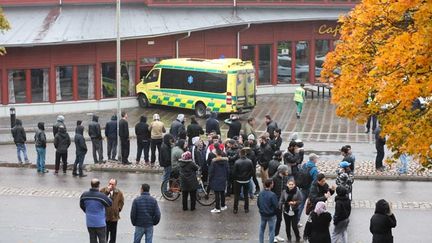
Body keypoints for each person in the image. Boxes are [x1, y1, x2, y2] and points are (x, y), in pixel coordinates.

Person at [80, 178, 113, 243]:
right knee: (102, 240)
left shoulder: (84, 195)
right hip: (100, 223)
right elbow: (109, 203)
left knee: (92, 240)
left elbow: (82, 205)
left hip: (89, 222)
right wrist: (110, 194)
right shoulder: (101, 196)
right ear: (98, 185)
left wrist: (87, 211)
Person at [100, 179, 125, 243]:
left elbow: (121, 202)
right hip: (105, 216)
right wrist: (107, 192)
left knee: (113, 235)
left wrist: (118, 209)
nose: (110, 185)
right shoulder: (103, 190)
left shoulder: (119, 192)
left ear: (115, 185)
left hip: (114, 217)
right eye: (109, 183)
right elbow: (101, 198)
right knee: (105, 234)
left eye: (112, 184)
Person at [297, 153, 319, 223]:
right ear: (314, 160)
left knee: (300, 205)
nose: (317, 159)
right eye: (316, 158)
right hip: (310, 190)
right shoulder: (314, 169)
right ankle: (312, 221)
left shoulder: (304, 165)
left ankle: (296, 221)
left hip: (302, 188)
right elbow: (315, 181)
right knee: (312, 206)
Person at [232, 148, 255, 214]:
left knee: (236, 195)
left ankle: (235, 209)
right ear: (245, 154)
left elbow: (234, 173)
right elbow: (252, 171)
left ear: (240, 154)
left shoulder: (237, 162)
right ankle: (246, 208)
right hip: (246, 180)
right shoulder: (249, 161)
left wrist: (236, 178)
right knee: (246, 195)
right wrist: (248, 177)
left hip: (238, 181)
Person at [271, 164, 290, 242]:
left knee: (279, 219)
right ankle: (272, 236)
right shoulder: (274, 178)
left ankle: (276, 235)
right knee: (274, 219)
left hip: (282, 202)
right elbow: (271, 190)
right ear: (282, 171)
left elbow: (285, 188)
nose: (287, 171)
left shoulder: (285, 177)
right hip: (275, 202)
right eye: (286, 170)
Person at [209, 145, 229, 213]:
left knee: (217, 194)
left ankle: (217, 208)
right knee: (222, 192)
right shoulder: (226, 161)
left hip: (215, 179)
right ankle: (223, 206)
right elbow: (228, 170)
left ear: (216, 154)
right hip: (223, 179)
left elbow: (211, 171)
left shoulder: (214, 162)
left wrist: (210, 179)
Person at [257, 179, 278, 243]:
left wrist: (261, 210)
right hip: (271, 215)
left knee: (262, 229)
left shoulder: (260, 193)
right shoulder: (272, 194)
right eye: (272, 183)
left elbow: (258, 203)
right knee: (272, 230)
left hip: (263, 214)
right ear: (271, 185)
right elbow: (275, 205)